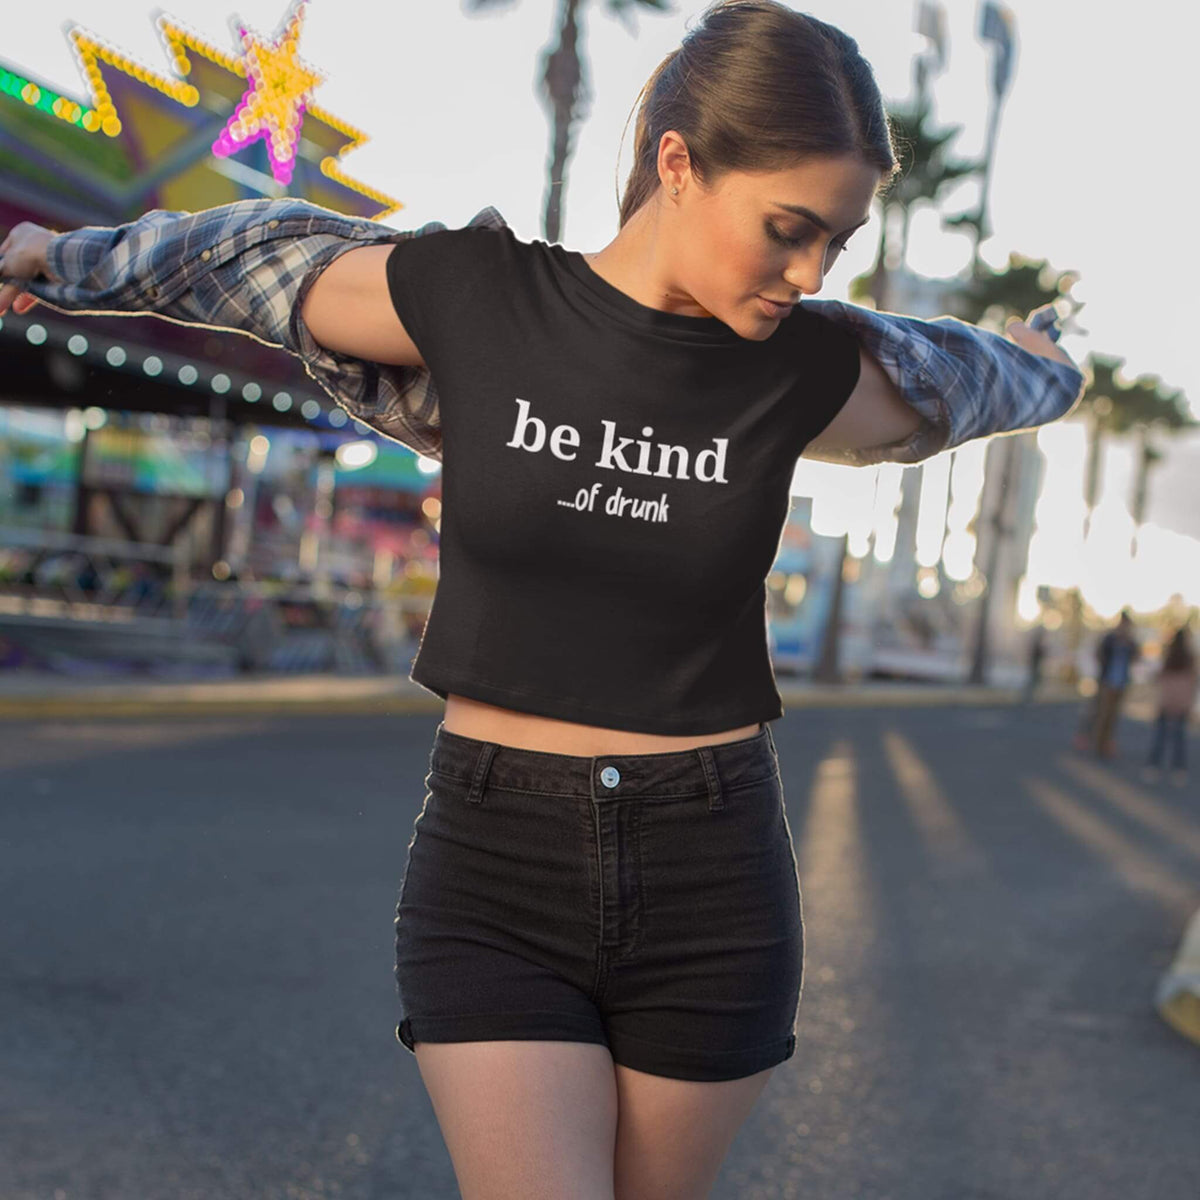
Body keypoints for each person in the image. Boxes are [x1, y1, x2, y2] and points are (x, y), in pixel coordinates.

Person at [0, 3, 1083, 1194]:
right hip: (495, 858)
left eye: (836, 239)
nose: (811, 272)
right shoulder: (482, 300)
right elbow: (251, 263)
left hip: (709, 866)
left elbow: (965, 379)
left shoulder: (802, 366)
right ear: (678, 162)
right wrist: (69, 261)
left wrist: (1051, 360)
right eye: (788, 228)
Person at [1073, 611, 1141, 760]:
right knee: (1101, 713)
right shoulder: (1110, 638)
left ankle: (1105, 743)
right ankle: (1096, 743)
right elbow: (1099, 654)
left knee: (1113, 716)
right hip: (1107, 681)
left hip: (1121, 682)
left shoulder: (1130, 641)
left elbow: (1136, 656)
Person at [1141, 622, 1197, 786]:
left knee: (1160, 736)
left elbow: (1159, 679)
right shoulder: (1189, 659)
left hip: (1166, 702)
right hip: (1181, 703)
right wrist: (1188, 704)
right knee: (1178, 738)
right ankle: (1178, 769)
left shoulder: (1169, 657)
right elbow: (1192, 683)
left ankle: (1153, 766)